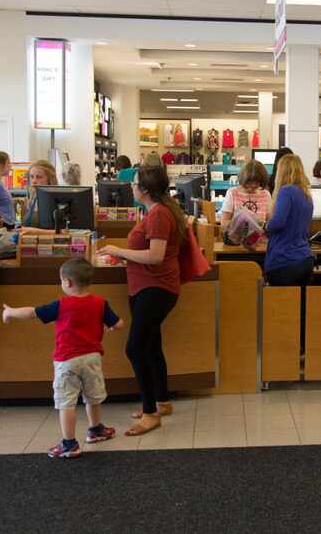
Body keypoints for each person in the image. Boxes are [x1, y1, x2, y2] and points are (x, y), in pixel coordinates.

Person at [2, 258, 124, 458]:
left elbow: (32, 313)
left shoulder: (61, 305)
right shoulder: (100, 303)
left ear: (67, 282)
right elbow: (119, 324)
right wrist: (109, 325)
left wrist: (9, 312)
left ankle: (69, 443)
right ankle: (95, 430)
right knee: (92, 397)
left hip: (67, 360)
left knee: (66, 402)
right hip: (92, 359)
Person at [97, 165, 186, 437]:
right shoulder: (159, 210)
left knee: (135, 348)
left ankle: (150, 413)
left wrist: (117, 250)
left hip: (155, 288)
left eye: (134, 183)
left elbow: (156, 256)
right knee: (151, 345)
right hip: (148, 287)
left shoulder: (159, 214)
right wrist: (124, 256)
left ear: (145, 188)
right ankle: (162, 401)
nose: (131, 187)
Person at [265, 154, 314, 287]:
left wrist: (265, 225)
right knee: (299, 305)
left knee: (281, 305)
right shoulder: (306, 194)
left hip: (285, 260)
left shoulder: (286, 191)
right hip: (305, 258)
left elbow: (278, 223)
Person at [221, 159, 272, 228]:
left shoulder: (266, 195)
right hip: (236, 237)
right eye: (250, 182)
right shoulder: (232, 193)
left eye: (257, 182)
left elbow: (269, 221)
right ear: (244, 178)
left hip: (260, 238)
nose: (253, 185)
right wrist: (239, 223)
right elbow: (224, 223)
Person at [21, 159, 58, 233]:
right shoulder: (33, 198)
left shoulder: (54, 200)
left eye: (39, 177)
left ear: (49, 179)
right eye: (31, 177)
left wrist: (25, 230)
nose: (34, 181)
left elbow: (58, 231)